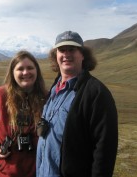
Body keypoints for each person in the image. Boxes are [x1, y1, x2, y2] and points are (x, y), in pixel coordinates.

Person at [36, 31, 118, 177]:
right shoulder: (55, 88)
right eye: (62, 50)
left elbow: (104, 149)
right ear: (56, 55)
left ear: (83, 55)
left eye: (72, 49)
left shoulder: (96, 93)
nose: (66, 54)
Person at [0, 50, 47, 177]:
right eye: (20, 69)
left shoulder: (46, 98)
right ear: (12, 73)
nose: (26, 72)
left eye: (30, 68)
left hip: (34, 172)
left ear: (37, 71)